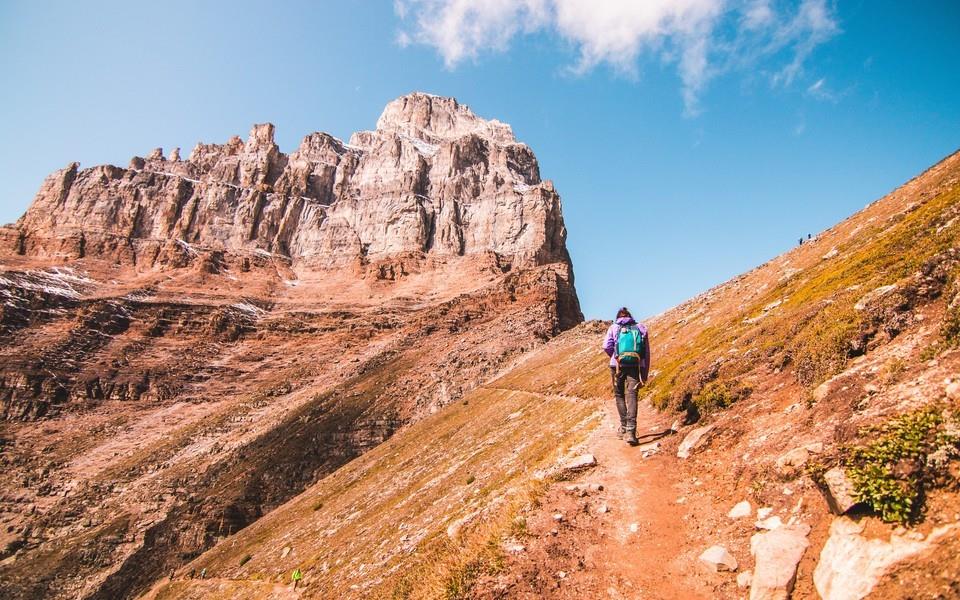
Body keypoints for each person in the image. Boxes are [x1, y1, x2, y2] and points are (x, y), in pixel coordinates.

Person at [602, 307, 651, 445]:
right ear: (630, 316)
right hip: (635, 366)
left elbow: (606, 346)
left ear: (618, 317)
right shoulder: (640, 327)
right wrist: (644, 373)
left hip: (617, 366)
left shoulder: (614, 327)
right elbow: (646, 353)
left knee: (619, 395)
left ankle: (623, 427)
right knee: (632, 396)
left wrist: (615, 357)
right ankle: (631, 431)